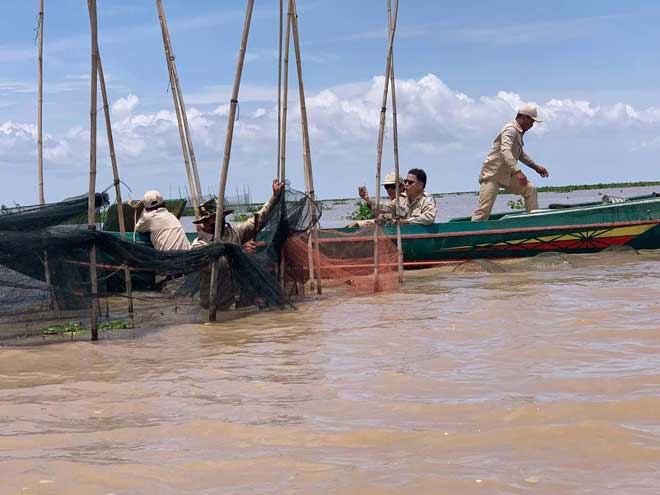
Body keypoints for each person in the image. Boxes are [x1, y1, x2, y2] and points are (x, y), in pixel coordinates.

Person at [192, 179, 284, 309]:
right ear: (204, 223)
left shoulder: (233, 233)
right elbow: (218, 264)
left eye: (218, 217)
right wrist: (241, 252)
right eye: (210, 219)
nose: (215, 221)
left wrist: (274, 197)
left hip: (239, 303)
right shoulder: (199, 245)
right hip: (216, 307)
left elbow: (257, 221)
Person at [471, 105, 550, 221]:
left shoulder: (519, 132)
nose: (532, 126)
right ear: (524, 118)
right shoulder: (510, 130)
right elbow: (506, 151)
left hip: (507, 175)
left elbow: (520, 154)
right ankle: (473, 235)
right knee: (484, 209)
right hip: (492, 175)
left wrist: (536, 167)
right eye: (531, 122)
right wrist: (517, 171)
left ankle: (534, 223)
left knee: (530, 190)